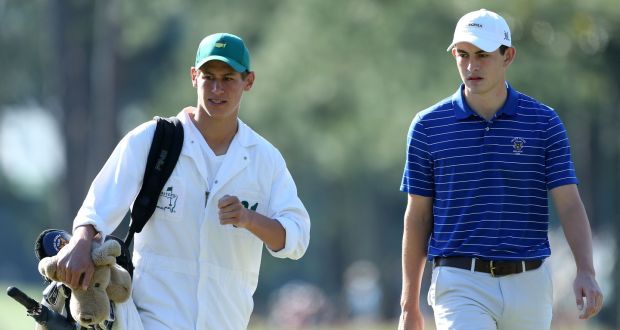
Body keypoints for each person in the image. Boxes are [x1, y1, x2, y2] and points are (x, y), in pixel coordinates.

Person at [54, 32, 311, 329]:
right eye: (208, 76)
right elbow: (98, 206)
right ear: (193, 76)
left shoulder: (265, 159)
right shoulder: (152, 139)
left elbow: (296, 239)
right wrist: (82, 241)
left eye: (228, 78)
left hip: (226, 321)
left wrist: (248, 218)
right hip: (150, 319)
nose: (217, 88)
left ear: (248, 81)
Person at [398, 9, 603, 330]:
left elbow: (569, 203)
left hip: (529, 281)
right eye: (462, 55)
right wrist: (409, 305)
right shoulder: (427, 126)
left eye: (482, 55)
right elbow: (418, 216)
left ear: (508, 56)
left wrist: (586, 270)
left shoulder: (543, 122)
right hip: (459, 281)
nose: (471, 65)